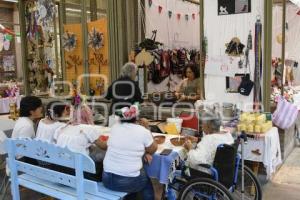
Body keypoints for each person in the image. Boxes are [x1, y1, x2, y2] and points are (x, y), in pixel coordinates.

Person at [98, 105, 157, 200]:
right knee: (146, 182)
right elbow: (153, 149)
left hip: (107, 179)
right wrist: (147, 128)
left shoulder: (115, 127)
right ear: (136, 119)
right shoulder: (142, 131)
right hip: (126, 182)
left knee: (136, 174)